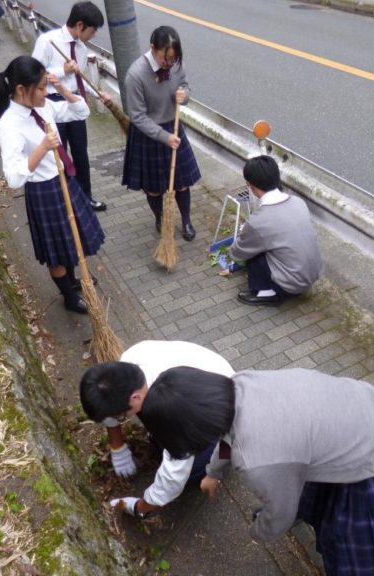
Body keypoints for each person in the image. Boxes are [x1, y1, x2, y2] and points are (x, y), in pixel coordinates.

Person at [139, 367, 374, 576]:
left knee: (357, 554)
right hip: (364, 409)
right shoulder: (239, 384)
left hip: (371, 459)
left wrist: (258, 531)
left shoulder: (259, 460)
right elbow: (229, 436)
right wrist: (213, 472)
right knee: (313, 489)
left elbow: (280, 512)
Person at [0, 55, 105, 314]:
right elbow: (13, 177)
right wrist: (43, 147)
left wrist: (64, 89)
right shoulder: (9, 124)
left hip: (64, 179)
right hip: (43, 191)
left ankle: (73, 279)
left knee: (73, 240)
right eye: (42, 87)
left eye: (46, 86)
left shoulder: (44, 106)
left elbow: (81, 112)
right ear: (22, 89)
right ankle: (68, 296)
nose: (46, 92)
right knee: (56, 250)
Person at [80, 341, 234, 518]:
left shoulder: (171, 409)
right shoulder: (129, 363)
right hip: (207, 381)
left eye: (121, 417)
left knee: (193, 473)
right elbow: (108, 406)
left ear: (136, 396)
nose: (119, 421)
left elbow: (173, 477)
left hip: (225, 421)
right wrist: (117, 446)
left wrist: (139, 507)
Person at [31, 1, 113, 212]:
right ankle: (66, 201)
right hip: (52, 102)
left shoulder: (82, 49)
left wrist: (98, 93)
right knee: (60, 154)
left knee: (80, 153)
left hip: (74, 102)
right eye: (93, 30)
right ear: (80, 25)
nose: (93, 35)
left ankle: (85, 198)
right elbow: (33, 74)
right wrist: (62, 71)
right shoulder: (47, 41)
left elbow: (80, 79)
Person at [122, 26, 200, 241]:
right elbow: (137, 117)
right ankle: (160, 218)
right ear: (152, 48)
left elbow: (186, 87)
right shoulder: (135, 75)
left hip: (172, 125)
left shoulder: (176, 64)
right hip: (149, 134)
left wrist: (183, 97)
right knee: (154, 188)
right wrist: (164, 137)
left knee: (182, 182)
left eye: (173, 59)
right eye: (165, 58)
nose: (169, 63)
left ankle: (186, 221)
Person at [228, 155, 323, 307]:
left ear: (250, 185)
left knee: (254, 253)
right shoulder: (298, 202)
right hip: (312, 274)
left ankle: (266, 293)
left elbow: (237, 253)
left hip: (291, 285)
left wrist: (241, 237)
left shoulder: (258, 221)